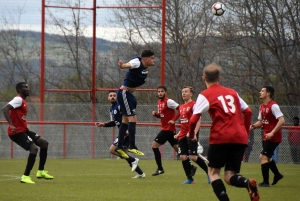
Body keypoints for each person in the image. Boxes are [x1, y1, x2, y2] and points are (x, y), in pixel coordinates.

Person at [188, 63, 259, 201]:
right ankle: (247, 183)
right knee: (229, 175)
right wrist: (245, 131)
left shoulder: (205, 95)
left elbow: (193, 120)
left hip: (221, 136)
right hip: (239, 137)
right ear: (219, 78)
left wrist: (191, 135)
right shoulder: (232, 92)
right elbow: (248, 111)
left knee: (213, 173)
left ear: (204, 78)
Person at [2, 82, 54, 184]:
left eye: (28, 87)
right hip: (16, 132)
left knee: (44, 143)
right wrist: (11, 125)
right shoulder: (18, 99)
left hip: (23, 130)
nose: (28, 89)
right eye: (25, 87)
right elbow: (5, 109)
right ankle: (25, 176)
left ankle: (40, 171)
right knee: (34, 149)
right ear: (20, 90)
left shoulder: (24, 102)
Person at [114, 50, 155, 158]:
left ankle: (119, 146)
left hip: (128, 94)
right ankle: (132, 145)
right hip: (124, 92)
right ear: (146, 59)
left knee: (125, 119)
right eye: (152, 58)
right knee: (133, 118)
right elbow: (129, 64)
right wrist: (122, 65)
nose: (153, 60)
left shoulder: (143, 68)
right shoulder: (137, 62)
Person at [95, 91, 145, 178]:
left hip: (125, 133)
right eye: (110, 96)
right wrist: (104, 124)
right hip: (123, 133)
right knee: (125, 154)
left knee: (112, 149)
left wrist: (128, 129)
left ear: (117, 97)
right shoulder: (112, 109)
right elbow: (115, 122)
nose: (112, 97)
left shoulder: (119, 106)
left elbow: (127, 118)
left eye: (114, 95)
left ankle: (134, 160)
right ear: (108, 98)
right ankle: (141, 173)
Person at [151, 86, 197, 176]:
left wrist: (174, 120)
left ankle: (160, 168)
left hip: (167, 129)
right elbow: (162, 116)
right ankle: (191, 166)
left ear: (166, 92)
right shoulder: (159, 102)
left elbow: (181, 109)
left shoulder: (169, 101)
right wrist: (156, 115)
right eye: (158, 91)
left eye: (162, 91)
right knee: (179, 150)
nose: (160, 93)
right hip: (168, 129)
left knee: (154, 145)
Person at [171, 86, 209, 184]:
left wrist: (194, 133)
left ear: (191, 94)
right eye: (182, 91)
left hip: (191, 134)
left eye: (186, 92)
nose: (183, 93)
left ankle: (209, 172)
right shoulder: (181, 107)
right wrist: (178, 134)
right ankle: (190, 179)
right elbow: (184, 123)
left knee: (193, 157)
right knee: (183, 157)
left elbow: (198, 120)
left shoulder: (194, 105)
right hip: (183, 135)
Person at [250, 86, 284, 187]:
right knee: (268, 158)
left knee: (262, 157)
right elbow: (261, 121)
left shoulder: (273, 106)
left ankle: (265, 182)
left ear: (268, 94)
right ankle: (277, 175)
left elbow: (281, 120)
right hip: (266, 136)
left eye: (262, 91)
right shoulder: (262, 106)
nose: (260, 92)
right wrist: (254, 126)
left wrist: (272, 132)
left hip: (273, 137)